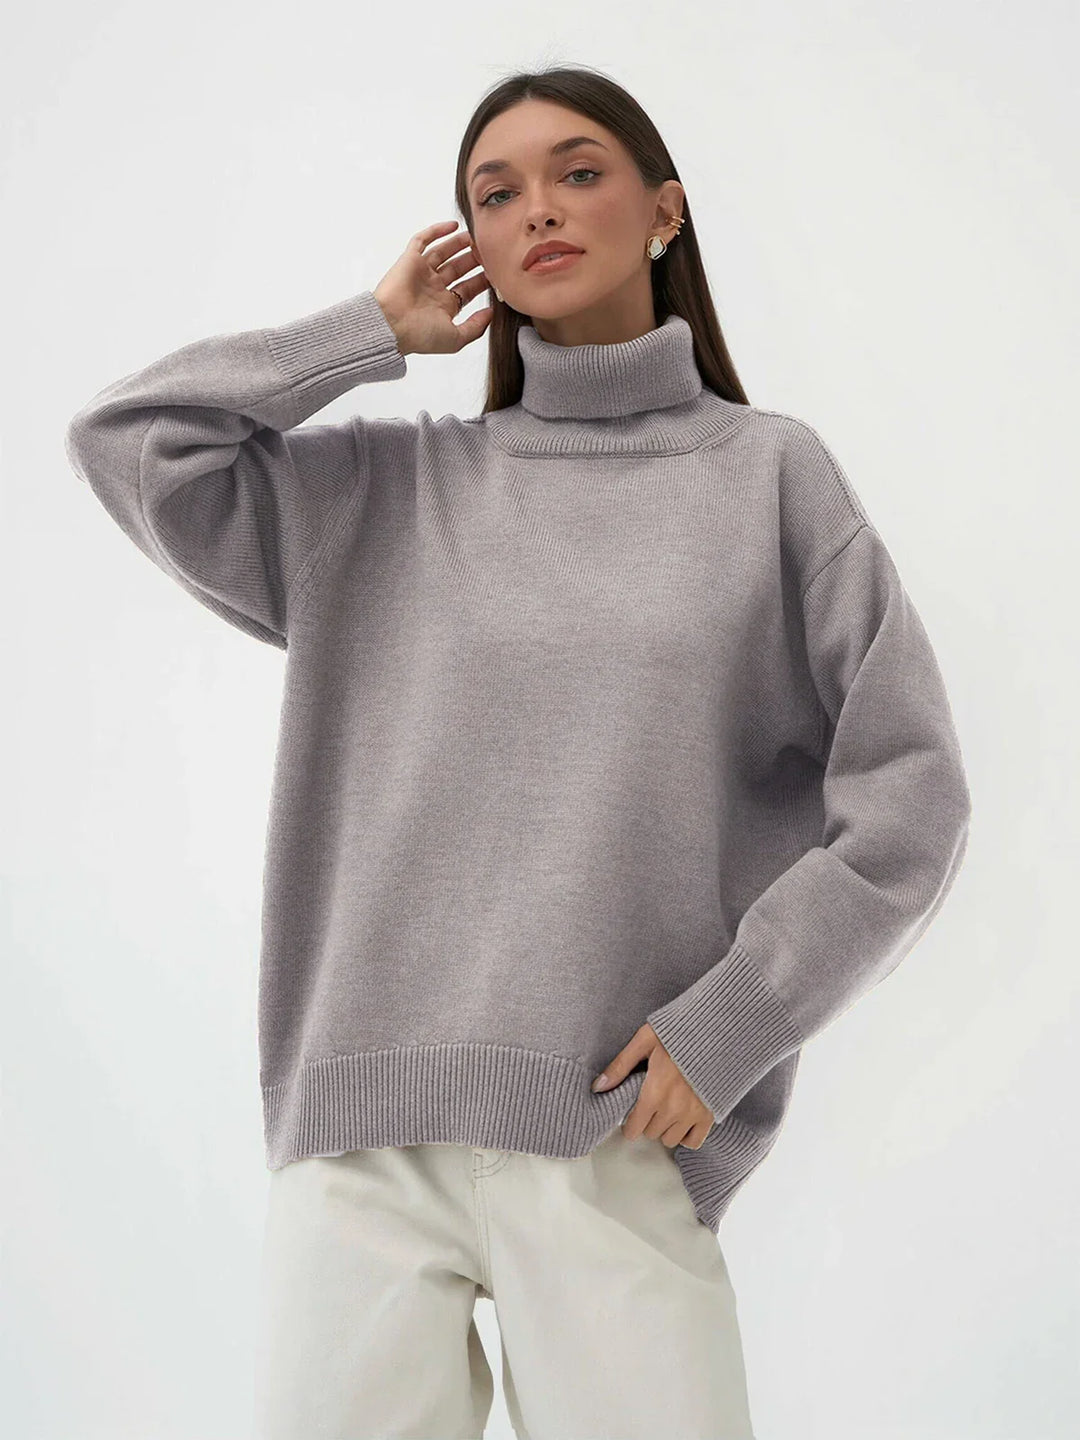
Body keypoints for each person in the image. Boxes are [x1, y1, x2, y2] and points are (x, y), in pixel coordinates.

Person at [63, 64, 971, 1440]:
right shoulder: (384, 493)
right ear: (469, 245)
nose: (537, 207)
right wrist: (366, 334)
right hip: (361, 1149)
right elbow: (132, 444)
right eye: (495, 194)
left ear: (664, 211)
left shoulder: (770, 478)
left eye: (579, 172)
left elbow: (913, 797)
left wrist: (737, 1020)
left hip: (615, 1138)